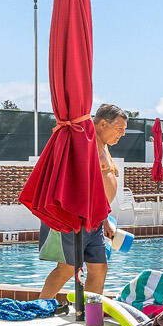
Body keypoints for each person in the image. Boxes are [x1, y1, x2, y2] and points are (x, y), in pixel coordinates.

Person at [39, 102, 129, 303]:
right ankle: (40, 307)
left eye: (124, 130)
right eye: (119, 129)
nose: (122, 134)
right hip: (75, 217)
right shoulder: (83, 142)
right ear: (103, 123)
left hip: (95, 219)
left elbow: (99, 188)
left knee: (99, 267)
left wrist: (105, 219)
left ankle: (91, 313)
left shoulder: (104, 146)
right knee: (67, 268)